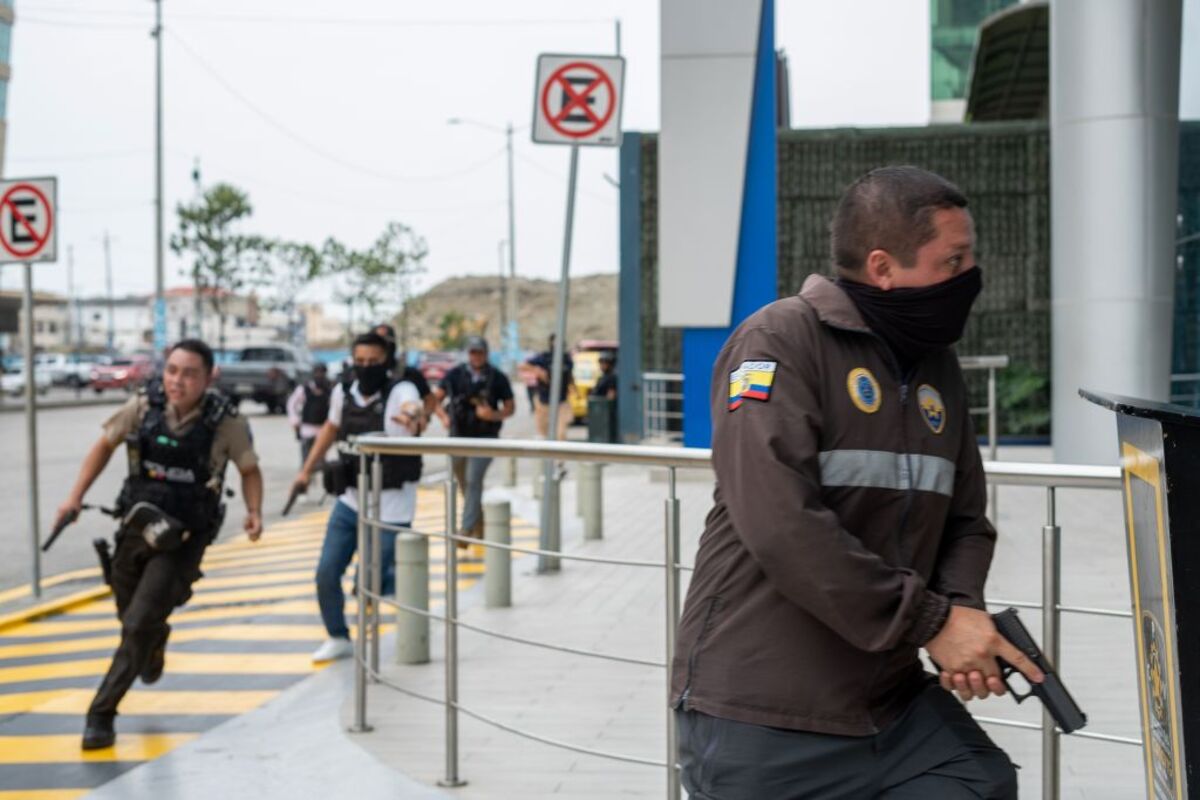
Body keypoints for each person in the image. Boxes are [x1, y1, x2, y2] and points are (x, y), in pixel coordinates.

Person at [671, 167, 1044, 799]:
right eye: (952, 261)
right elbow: (780, 522)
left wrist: (959, 613)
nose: (970, 278)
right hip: (764, 712)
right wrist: (930, 623)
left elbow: (966, 517)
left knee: (981, 784)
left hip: (889, 706)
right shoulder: (775, 342)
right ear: (882, 267)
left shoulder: (936, 367)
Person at [52, 339, 263, 750]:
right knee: (130, 613)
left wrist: (254, 511)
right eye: (172, 371)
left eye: (189, 374)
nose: (177, 381)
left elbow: (249, 469)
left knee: (137, 623)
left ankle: (101, 714)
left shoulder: (225, 423)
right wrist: (74, 496)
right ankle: (154, 642)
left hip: (182, 539)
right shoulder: (144, 406)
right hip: (136, 528)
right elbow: (104, 445)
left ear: (208, 377)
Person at [293, 331, 426, 663]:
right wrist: (306, 470)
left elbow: (414, 407)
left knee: (372, 578)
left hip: (392, 505)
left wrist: (411, 416)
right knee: (326, 572)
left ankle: (379, 604)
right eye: (360, 361)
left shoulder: (400, 391)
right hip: (351, 500)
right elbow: (329, 428)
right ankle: (338, 636)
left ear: (386, 362)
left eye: (373, 362)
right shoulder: (343, 391)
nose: (365, 368)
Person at [433, 336, 515, 545]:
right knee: (464, 483)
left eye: (480, 352)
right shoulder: (455, 375)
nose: (476, 356)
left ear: (486, 353)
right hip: (458, 437)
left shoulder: (497, 377)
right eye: (473, 352)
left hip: (485, 438)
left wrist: (492, 415)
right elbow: (434, 399)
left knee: (473, 479)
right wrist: (444, 417)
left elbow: (510, 407)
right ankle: (479, 524)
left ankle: (466, 529)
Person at [372, 322, 437, 419]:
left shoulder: (409, 373)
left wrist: (423, 418)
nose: (382, 349)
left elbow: (430, 399)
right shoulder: (361, 373)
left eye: (386, 344)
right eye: (378, 344)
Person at [520, 334, 574, 441]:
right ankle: (547, 458)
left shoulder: (567, 359)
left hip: (561, 401)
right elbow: (522, 366)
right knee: (544, 436)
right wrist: (538, 371)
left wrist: (573, 387)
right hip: (544, 401)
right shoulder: (544, 357)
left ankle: (560, 457)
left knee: (561, 434)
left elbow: (570, 376)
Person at [286, 363, 332, 470]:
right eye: (317, 372)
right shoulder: (304, 389)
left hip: (323, 429)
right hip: (307, 429)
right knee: (306, 461)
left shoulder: (330, 389)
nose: (319, 375)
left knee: (320, 459)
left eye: (322, 372)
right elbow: (291, 404)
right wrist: (294, 421)